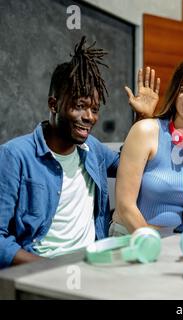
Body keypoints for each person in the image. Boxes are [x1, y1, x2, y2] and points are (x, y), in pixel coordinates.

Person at [0, 36, 157, 268]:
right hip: (41, 271)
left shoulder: (92, 149)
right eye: (80, 106)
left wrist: (143, 118)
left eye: (94, 109)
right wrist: (47, 268)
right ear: (53, 105)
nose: (89, 117)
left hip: (93, 264)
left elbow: (132, 163)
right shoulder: (14, 156)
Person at [111, 58, 183, 235]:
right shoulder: (145, 131)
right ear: (175, 93)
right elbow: (124, 206)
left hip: (176, 240)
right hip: (133, 237)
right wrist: (153, 243)